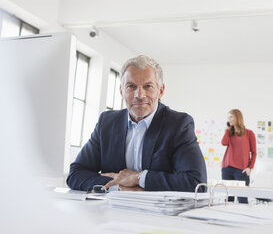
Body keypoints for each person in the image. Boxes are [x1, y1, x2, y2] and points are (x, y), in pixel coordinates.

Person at [67, 55, 207, 192]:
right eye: (131, 86)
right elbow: (75, 174)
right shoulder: (107, 123)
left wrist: (138, 178)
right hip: (111, 211)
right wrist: (119, 187)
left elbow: (196, 183)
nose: (139, 95)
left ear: (161, 90)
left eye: (148, 86)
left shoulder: (178, 125)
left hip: (158, 214)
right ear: (122, 91)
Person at [221, 109, 257, 203]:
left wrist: (250, 167)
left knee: (242, 200)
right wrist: (227, 130)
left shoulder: (249, 133)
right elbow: (223, 143)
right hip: (227, 169)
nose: (229, 119)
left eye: (231, 116)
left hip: (242, 170)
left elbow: (254, 152)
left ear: (238, 117)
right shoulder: (229, 133)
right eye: (228, 117)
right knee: (228, 200)